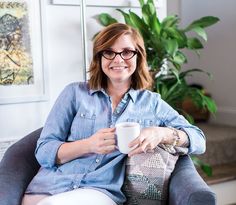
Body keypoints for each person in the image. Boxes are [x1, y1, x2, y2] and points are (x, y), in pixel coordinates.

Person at [21, 23, 206, 205]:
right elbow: (43, 151)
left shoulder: (152, 103)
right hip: (48, 187)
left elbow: (198, 140)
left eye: (126, 52)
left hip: (98, 191)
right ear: (99, 57)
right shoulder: (74, 93)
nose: (118, 60)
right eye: (109, 52)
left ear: (138, 56)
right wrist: (89, 145)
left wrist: (161, 133)